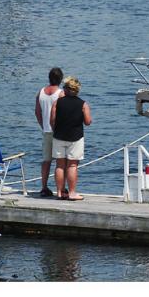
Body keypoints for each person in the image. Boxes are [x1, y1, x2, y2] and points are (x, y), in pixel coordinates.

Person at [50, 77, 92, 201]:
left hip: (59, 136)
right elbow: (88, 122)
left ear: (67, 89)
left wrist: (55, 130)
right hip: (75, 137)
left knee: (59, 165)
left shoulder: (57, 102)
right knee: (72, 165)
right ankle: (72, 193)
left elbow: (52, 120)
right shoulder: (83, 104)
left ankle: (59, 192)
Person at [35, 67, 65, 198]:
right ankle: (61, 189)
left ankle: (44, 186)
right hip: (58, 131)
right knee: (60, 162)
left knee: (46, 160)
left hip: (46, 130)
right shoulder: (60, 93)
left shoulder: (40, 92)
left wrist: (42, 124)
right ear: (60, 79)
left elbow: (37, 112)